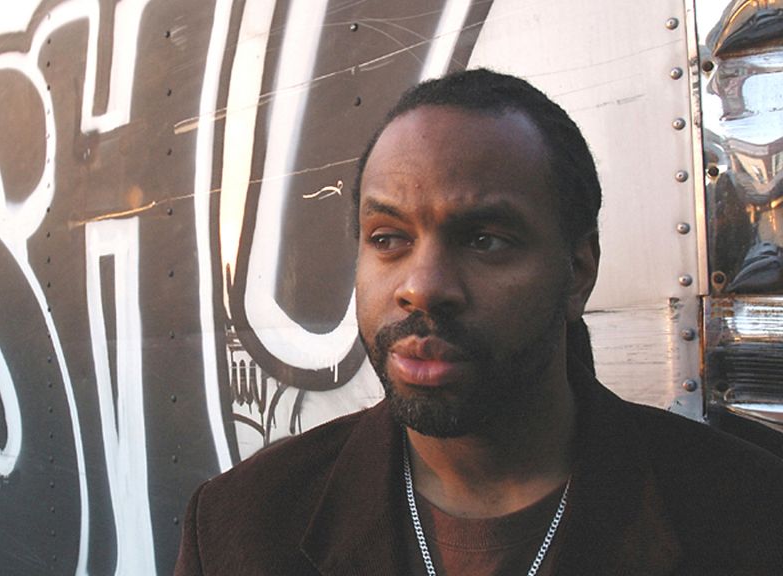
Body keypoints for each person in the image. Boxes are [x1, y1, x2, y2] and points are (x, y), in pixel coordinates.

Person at [173, 69, 783, 575]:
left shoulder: (747, 516)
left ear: (576, 272)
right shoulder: (242, 528)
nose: (422, 287)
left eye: (485, 240)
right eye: (388, 238)